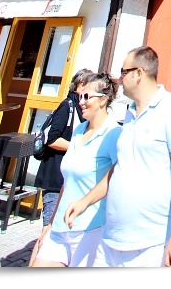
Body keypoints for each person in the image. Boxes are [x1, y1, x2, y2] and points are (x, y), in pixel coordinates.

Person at [64, 46, 171, 267]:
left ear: (139, 73)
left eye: (124, 72)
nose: (120, 79)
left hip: (149, 243)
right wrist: (86, 201)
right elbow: (119, 167)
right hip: (111, 239)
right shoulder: (129, 113)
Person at [30, 73, 121, 267]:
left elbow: (118, 176)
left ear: (103, 100)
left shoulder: (113, 133)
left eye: (87, 97)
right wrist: (50, 224)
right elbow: (67, 183)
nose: (81, 101)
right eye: (80, 96)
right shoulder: (79, 130)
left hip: (90, 229)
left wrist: (85, 202)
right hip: (60, 228)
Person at [33, 68, 94, 230]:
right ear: (80, 85)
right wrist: (80, 147)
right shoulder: (67, 106)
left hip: (67, 180)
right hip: (55, 177)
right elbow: (52, 139)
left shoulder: (81, 109)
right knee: (50, 229)